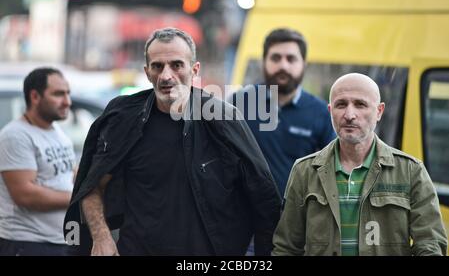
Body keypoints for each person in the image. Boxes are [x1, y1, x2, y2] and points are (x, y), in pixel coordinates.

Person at [63, 27, 281, 256]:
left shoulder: (223, 120)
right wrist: (101, 237)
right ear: (147, 72)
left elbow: (264, 198)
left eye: (177, 65)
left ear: (194, 70)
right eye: (157, 66)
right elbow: (92, 185)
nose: (166, 76)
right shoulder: (124, 119)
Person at [272, 73, 448, 256]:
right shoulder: (305, 171)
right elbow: (286, 248)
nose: (349, 115)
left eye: (360, 104)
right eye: (341, 105)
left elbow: (430, 244)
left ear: (379, 111)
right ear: (330, 110)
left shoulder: (411, 171)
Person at [229, 28, 335, 196]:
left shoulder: (322, 113)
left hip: (298, 217)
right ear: (264, 62)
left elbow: (331, 173)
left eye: (291, 59)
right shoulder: (238, 104)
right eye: (276, 58)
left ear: (304, 64)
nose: (283, 65)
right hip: (244, 216)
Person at [0, 67, 75, 256]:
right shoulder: (15, 135)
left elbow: (66, 174)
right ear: (35, 96)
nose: (67, 102)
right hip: (27, 243)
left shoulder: (56, 131)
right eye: (58, 94)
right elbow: (26, 195)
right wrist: (79, 197)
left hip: (60, 239)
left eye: (68, 93)